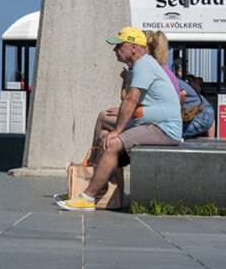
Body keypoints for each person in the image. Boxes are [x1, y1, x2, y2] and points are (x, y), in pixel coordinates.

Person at [59, 27, 182, 211]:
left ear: (133, 47)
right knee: (103, 127)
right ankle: (95, 173)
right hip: (150, 123)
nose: (114, 50)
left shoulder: (144, 65)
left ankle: (88, 197)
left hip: (163, 129)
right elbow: (127, 99)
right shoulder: (140, 65)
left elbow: (131, 99)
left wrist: (117, 131)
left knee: (112, 143)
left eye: (118, 45)